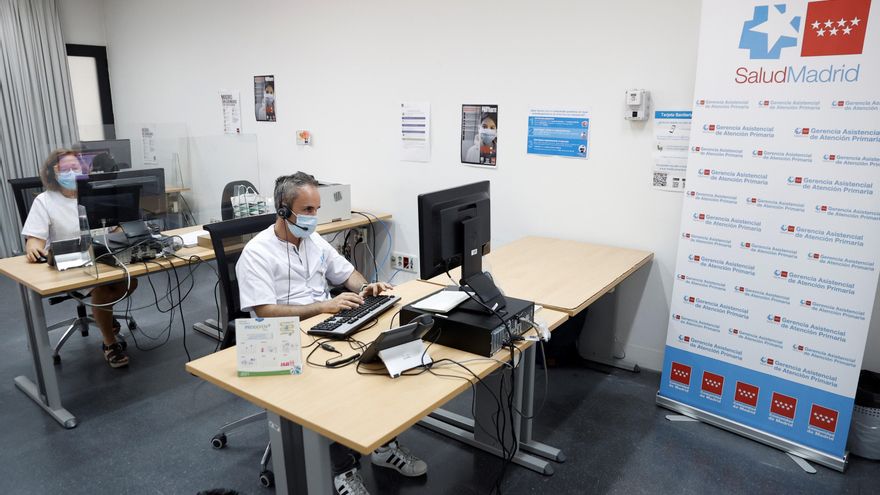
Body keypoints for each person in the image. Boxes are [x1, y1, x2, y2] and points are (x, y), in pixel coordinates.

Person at [236, 172, 428, 495]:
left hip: (324, 328)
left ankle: (383, 446)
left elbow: (347, 273)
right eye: (307, 210)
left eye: (316, 209)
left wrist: (366, 287)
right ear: (283, 210)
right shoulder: (256, 254)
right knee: (338, 386)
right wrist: (322, 307)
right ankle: (344, 472)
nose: (314, 217)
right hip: (283, 339)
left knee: (377, 361)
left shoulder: (313, 242)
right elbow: (265, 310)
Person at [22, 149, 137, 368]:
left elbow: (114, 227)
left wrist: (120, 229)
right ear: (53, 173)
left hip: (103, 259)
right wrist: (34, 247)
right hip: (68, 266)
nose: (71, 173)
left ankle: (104, 313)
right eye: (64, 169)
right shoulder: (44, 201)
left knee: (133, 280)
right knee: (102, 291)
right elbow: (34, 239)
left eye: (76, 167)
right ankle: (110, 343)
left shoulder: (98, 194)